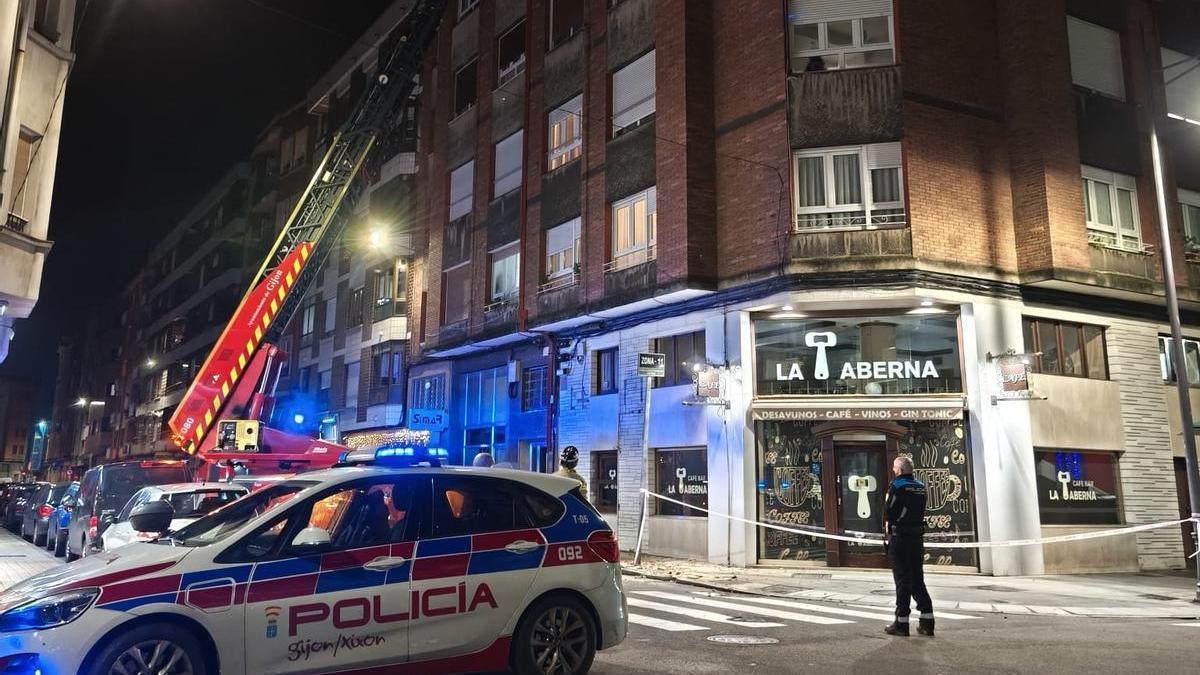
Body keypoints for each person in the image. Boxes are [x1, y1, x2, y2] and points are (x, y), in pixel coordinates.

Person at [883, 455, 935, 637]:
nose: (893, 471)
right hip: (916, 537)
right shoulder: (921, 487)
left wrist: (888, 526)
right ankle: (928, 621)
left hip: (901, 537)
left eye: (895, 468)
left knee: (902, 580)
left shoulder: (897, 486)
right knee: (917, 578)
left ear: (900, 470)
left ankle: (901, 623)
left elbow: (889, 511)